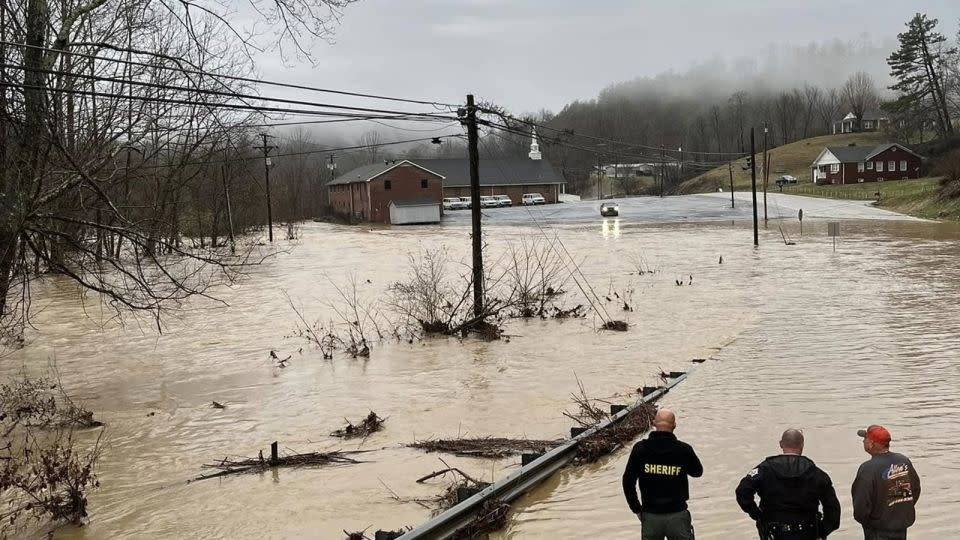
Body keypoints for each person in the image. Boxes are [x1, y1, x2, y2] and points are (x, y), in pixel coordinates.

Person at [735, 429, 841, 539]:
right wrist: (821, 531)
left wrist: (758, 515)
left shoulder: (765, 469)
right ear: (802, 445)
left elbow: (742, 492)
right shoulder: (817, 474)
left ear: (781, 444)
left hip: (773, 533)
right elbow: (833, 512)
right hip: (807, 532)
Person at [622, 408, 703, 540]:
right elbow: (697, 472)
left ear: (653, 424)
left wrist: (636, 508)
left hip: (650, 516)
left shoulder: (640, 449)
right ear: (674, 425)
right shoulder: (683, 449)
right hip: (678, 516)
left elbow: (628, 481)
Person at [852, 425, 921, 540]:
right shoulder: (903, 461)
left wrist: (870, 522)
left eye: (865, 438)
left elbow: (860, 507)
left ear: (871, 444)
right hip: (901, 528)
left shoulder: (867, 469)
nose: (863, 441)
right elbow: (915, 489)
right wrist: (900, 511)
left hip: (877, 531)